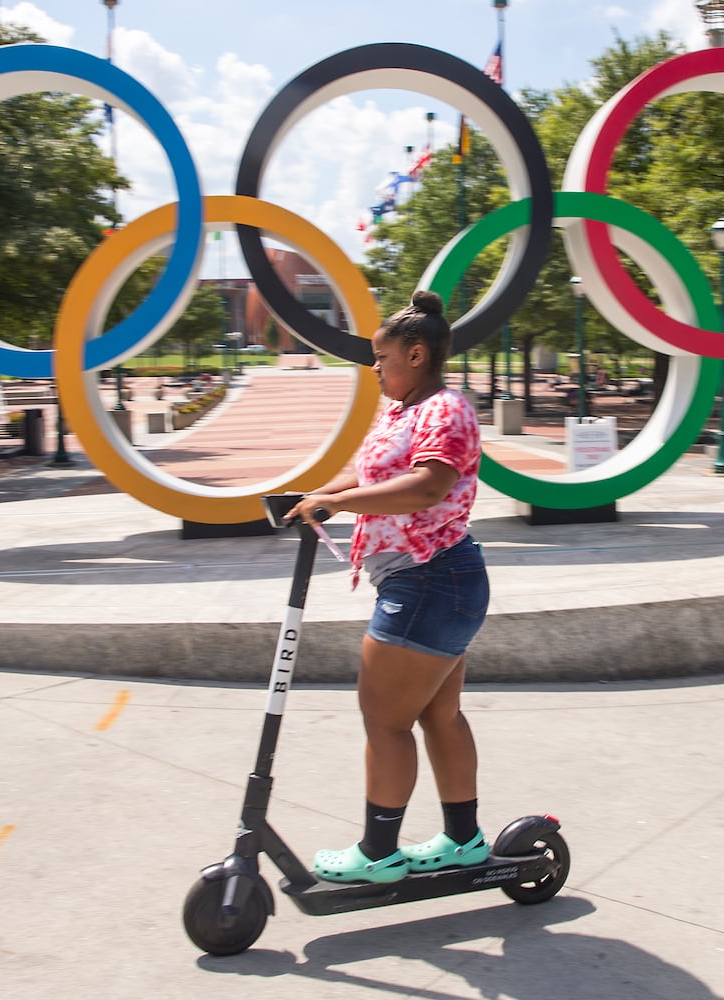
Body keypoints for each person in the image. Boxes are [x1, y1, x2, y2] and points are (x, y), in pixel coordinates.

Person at [287, 290, 490, 884]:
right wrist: (317, 496)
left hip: (430, 579)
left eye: (382, 358)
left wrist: (338, 503)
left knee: (385, 722)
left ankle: (379, 854)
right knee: (439, 716)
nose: (374, 367)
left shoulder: (445, 411)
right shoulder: (400, 410)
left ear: (417, 354)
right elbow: (371, 474)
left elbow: (427, 486)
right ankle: (463, 840)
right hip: (434, 581)